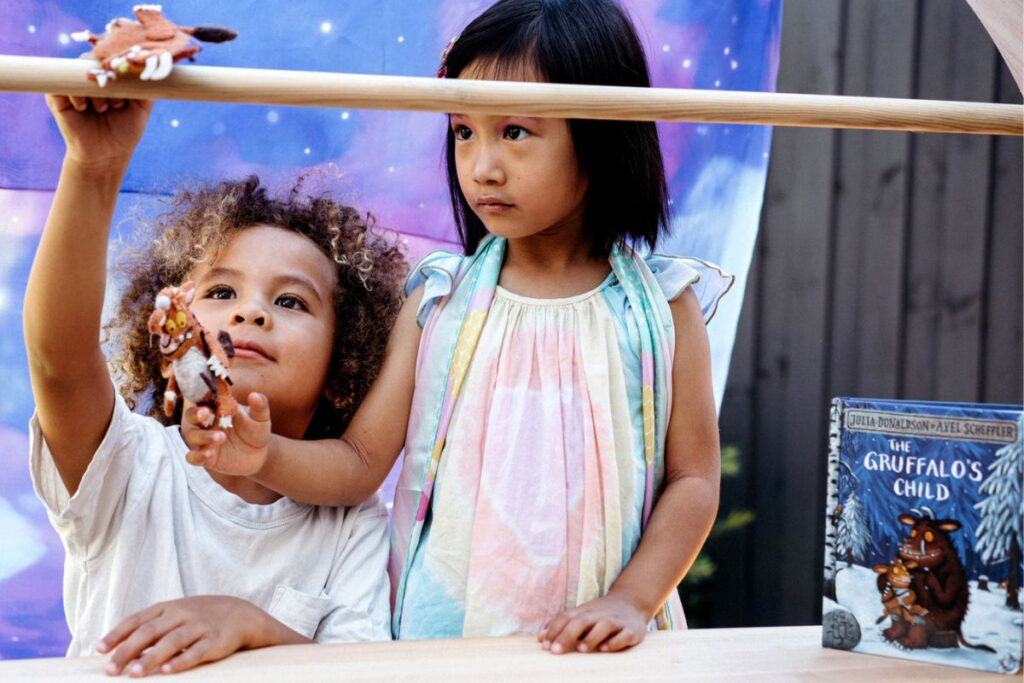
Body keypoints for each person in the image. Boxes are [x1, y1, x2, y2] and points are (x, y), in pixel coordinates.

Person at [184, 0, 732, 654]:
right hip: (448, 647)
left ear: (603, 132)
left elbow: (694, 479)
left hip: (605, 650)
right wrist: (266, 455)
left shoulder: (662, 307)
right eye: (464, 131)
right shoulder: (439, 301)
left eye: (515, 132)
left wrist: (632, 600)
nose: (482, 166)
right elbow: (360, 462)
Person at [24, 93, 406, 675]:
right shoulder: (128, 464)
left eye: (290, 300)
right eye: (221, 293)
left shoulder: (353, 520)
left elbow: (358, 671)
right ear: (165, 333)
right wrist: (92, 166)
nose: (250, 313)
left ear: (343, 370)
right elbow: (58, 361)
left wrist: (248, 625)